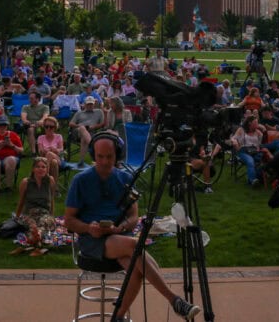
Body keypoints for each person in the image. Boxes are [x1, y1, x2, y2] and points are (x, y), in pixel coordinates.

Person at [65, 135, 201, 321]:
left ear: (117, 155)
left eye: (109, 156)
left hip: (120, 237)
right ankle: (174, 300)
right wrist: (89, 228)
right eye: (100, 156)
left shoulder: (125, 178)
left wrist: (120, 227)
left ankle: (118, 317)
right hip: (92, 241)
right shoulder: (80, 180)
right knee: (134, 246)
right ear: (93, 155)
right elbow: (69, 221)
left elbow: (133, 217)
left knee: (136, 268)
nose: (105, 161)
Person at [12, 156, 58, 255]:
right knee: (32, 226)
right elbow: (21, 201)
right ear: (33, 169)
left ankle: (25, 246)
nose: (41, 169)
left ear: (47, 169)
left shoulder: (50, 180)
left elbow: (52, 199)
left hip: (44, 212)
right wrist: (17, 216)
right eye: (38, 167)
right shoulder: (26, 182)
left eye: (43, 167)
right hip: (29, 212)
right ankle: (39, 247)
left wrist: (52, 216)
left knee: (44, 222)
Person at [70, 96, 105, 167]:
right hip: (78, 132)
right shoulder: (79, 113)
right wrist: (79, 126)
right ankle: (93, 147)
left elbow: (102, 124)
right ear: (85, 104)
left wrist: (94, 127)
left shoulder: (99, 112)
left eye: (91, 104)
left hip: (91, 132)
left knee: (84, 138)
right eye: (88, 104)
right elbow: (71, 123)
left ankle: (81, 161)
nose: (90, 106)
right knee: (83, 128)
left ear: (94, 104)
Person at [231, 116, 266, 187]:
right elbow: (233, 138)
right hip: (243, 151)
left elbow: (262, 140)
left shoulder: (258, 132)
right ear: (250, 123)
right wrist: (235, 142)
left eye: (257, 123)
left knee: (263, 160)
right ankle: (252, 181)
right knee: (250, 161)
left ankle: (257, 178)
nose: (257, 124)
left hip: (255, 151)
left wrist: (263, 128)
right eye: (255, 122)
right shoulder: (241, 130)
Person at [36, 116, 65, 183]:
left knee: (50, 154)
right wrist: (44, 151)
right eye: (46, 126)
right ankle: (54, 188)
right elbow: (40, 152)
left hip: (59, 159)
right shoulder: (40, 138)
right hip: (44, 160)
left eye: (51, 127)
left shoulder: (59, 136)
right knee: (53, 162)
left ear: (55, 128)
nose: (49, 129)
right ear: (44, 127)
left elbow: (61, 150)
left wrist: (55, 150)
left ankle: (43, 178)